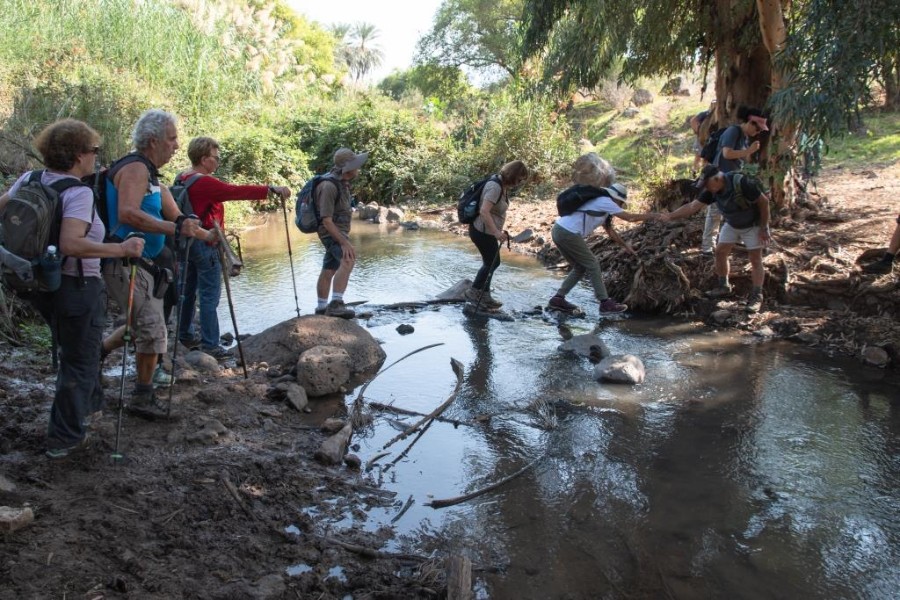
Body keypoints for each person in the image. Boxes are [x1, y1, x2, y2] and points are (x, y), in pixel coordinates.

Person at [0, 119, 145, 457]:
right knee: (78, 361)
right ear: (79, 155)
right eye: (94, 151)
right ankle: (64, 439)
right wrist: (123, 249)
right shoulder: (77, 193)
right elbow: (72, 244)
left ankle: (90, 410)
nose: (96, 157)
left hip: (38, 284)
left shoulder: (29, 179)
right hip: (76, 286)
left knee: (80, 349)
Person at [100, 109, 211, 419]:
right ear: (152, 141)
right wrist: (174, 228)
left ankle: (102, 355)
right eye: (172, 139)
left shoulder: (152, 177)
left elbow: (177, 216)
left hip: (146, 263)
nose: (177, 145)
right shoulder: (135, 169)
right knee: (151, 326)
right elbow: (128, 214)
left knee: (148, 324)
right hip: (125, 261)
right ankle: (142, 396)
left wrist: (198, 230)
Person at [174, 137, 291, 358]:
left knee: (187, 291)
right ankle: (210, 344)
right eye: (216, 158)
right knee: (209, 295)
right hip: (206, 241)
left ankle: (185, 335)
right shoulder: (205, 182)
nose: (218, 162)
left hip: (185, 242)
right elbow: (235, 191)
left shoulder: (182, 177)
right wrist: (270, 189)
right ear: (204, 159)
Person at [662, 164, 771, 313]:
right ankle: (723, 285)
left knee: (755, 259)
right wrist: (670, 216)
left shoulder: (741, 182)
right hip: (732, 224)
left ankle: (757, 295)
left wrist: (764, 227)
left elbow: (764, 202)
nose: (706, 187)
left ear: (717, 178)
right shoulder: (711, 191)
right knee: (720, 252)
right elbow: (692, 207)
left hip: (753, 225)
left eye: (707, 183)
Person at [547, 183, 657, 315]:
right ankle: (605, 303)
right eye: (620, 202)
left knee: (580, 267)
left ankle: (558, 299)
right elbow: (629, 218)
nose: (620, 205)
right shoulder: (605, 201)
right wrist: (653, 215)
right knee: (593, 264)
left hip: (559, 230)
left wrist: (625, 246)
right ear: (615, 198)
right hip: (568, 232)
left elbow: (610, 231)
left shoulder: (602, 206)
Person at [700, 107, 768, 255]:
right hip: (720, 178)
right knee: (715, 212)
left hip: (733, 181)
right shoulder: (733, 131)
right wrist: (749, 151)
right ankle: (707, 248)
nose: (758, 133)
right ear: (751, 122)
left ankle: (736, 242)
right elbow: (727, 153)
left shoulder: (743, 137)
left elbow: (740, 158)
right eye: (758, 129)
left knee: (732, 211)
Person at [464, 160, 530, 309]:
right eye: (519, 179)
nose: (519, 183)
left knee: (492, 262)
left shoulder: (501, 185)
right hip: (482, 231)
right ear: (512, 175)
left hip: (486, 231)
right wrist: (496, 232)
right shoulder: (495, 187)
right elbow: (484, 211)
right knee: (492, 262)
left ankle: (484, 295)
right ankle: (474, 292)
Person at [314, 148, 368, 319]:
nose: (358, 168)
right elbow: (326, 220)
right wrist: (344, 242)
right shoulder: (329, 186)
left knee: (329, 267)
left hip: (338, 231)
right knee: (348, 258)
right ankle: (336, 304)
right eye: (356, 165)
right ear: (348, 168)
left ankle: (322, 308)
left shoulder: (341, 182)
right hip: (332, 232)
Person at [689, 100, 716, 172]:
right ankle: (695, 172)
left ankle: (705, 173)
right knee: (698, 156)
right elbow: (693, 121)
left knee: (706, 158)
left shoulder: (717, 117)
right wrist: (698, 132)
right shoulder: (706, 114)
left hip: (710, 140)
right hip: (702, 139)